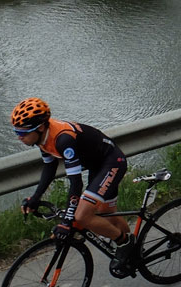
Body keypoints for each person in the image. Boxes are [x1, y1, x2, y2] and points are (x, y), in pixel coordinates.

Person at [13, 98, 135, 274]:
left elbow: (76, 183)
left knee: (82, 216)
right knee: (106, 214)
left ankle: (125, 243)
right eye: (16, 132)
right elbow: (49, 168)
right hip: (97, 165)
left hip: (111, 162)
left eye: (23, 133)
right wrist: (35, 198)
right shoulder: (42, 138)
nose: (19, 137)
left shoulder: (63, 139)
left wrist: (68, 221)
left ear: (39, 127)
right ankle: (133, 250)